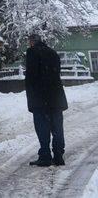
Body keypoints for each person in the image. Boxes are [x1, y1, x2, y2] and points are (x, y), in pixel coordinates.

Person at [25, 33, 68, 167]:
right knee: (57, 127)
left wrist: (31, 92)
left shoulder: (32, 52)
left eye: (29, 42)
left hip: (40, 97)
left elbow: (31, 75)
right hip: (56, 97)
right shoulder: (53, 53)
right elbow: (56, 72)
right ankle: (59, 155)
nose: (29, 44)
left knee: (42, 127)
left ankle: (45, 156)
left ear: (32, 42)